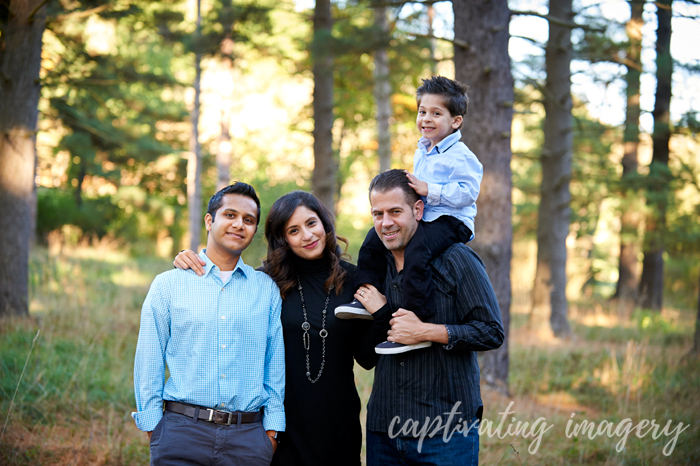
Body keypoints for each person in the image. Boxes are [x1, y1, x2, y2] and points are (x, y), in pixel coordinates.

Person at [173, 191, 389, 466]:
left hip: (337, 422)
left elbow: (366, 358)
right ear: (283, 238)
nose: (307, 236)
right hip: (278, 424)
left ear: (324, 223)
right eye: (294, 230)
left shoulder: (354, 279)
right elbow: (221, 300)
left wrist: (381, 316)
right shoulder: (265, 282)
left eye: (311, 224)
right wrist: (187, 259)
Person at [354, 169, 504, 465]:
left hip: (444, 431)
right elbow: (366, 357)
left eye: (395, 211)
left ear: (418, 210)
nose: (386, 223)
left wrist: (426, 331)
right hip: (383, 429)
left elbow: (491, 331)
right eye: (378, 213)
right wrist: (382, 314)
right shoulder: (373, 269)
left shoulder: (457, 259)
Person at [132, 183, 285, 466]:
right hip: (181, 433)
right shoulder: (169, 284)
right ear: (209, 221)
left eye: (248, 220)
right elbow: (149, 359)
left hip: (248, 439)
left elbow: (274, 365)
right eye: (230, 215)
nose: (239, 224)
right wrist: (155, 428)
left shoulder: (265, 289)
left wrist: (271, 432)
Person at [335, 76, 483, 355]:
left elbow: (468, 193)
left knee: (418, 250)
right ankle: (365, 297)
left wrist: (431, 190)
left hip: (452, 221)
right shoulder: (422, 149)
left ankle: (414, 317)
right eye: (422, 111)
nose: (426, 118)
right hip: (426, 217)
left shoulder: (462, 157)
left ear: (456, 121)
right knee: (372, 239)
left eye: (436, 113)